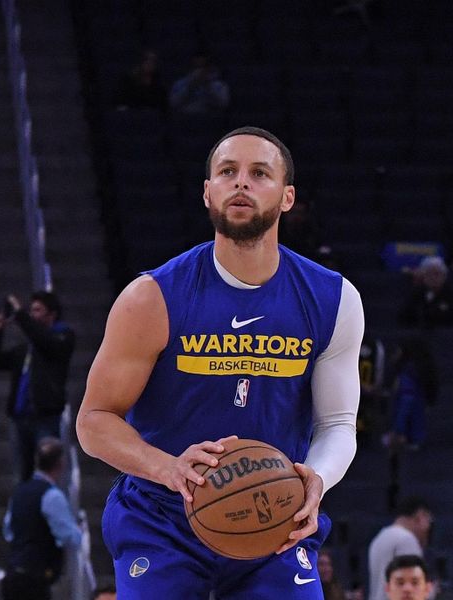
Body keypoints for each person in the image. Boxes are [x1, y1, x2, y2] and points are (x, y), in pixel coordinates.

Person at [76, 126, 363, 598]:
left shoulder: (334, 299)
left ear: (287, 197)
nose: (241, 183)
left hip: (273, 515)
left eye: (259, 173)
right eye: (227, 172)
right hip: (160, 517)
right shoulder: (152, 298)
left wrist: (318, 478)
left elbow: (337, 422)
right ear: (208, 192)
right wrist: (169, 468)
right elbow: (93, 421)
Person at [0, 291, 75, 482]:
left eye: (37, 310)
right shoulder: (26, 349)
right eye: (31, 310)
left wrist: (20, 315)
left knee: (48, 474)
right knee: (21, 476)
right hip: (20, 420)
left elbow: (46, 343)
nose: (32, 314)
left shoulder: (63, 337)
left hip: (45, 418)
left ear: (52, 314)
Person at [2, 437, 82, 600]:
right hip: (34, 579)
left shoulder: (19, 492)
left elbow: (8, 531)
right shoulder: (52, 496)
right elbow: (69, 536)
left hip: (13, 573)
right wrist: (79, 531)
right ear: (61, 463)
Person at [368, 497, 433, 600]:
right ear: (420, 516)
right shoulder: (406, 540)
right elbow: (411, 582)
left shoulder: (379, 538)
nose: (428, 527)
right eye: (428, 520)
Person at [382, 338, 438, 452]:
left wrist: (398, 432)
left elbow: (406, 404)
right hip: (415, 439)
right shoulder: (416, 375)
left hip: (409, 440)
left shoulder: (408, 378)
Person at [397, 256, 453, 328]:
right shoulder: (416, 294)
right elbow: (404, 317)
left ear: (444, 276)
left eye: (437, 274)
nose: (433, 278)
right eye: (429, 274)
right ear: (423, 276)